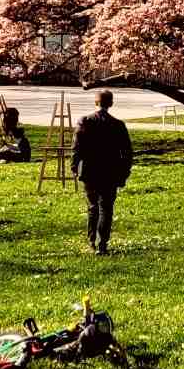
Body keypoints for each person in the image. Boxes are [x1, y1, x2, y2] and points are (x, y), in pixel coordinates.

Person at [71, 89, 133, 255]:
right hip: (110, 172)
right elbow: (127, 152)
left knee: (92, 206)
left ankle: (92, 240)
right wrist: (124, 172)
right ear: (111, 104)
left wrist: (74, 166)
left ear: (95, 102)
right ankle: (103, 242)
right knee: (106, 207)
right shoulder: (118, 125)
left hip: (90, 171)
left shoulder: (85, 121)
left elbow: (77, 147)